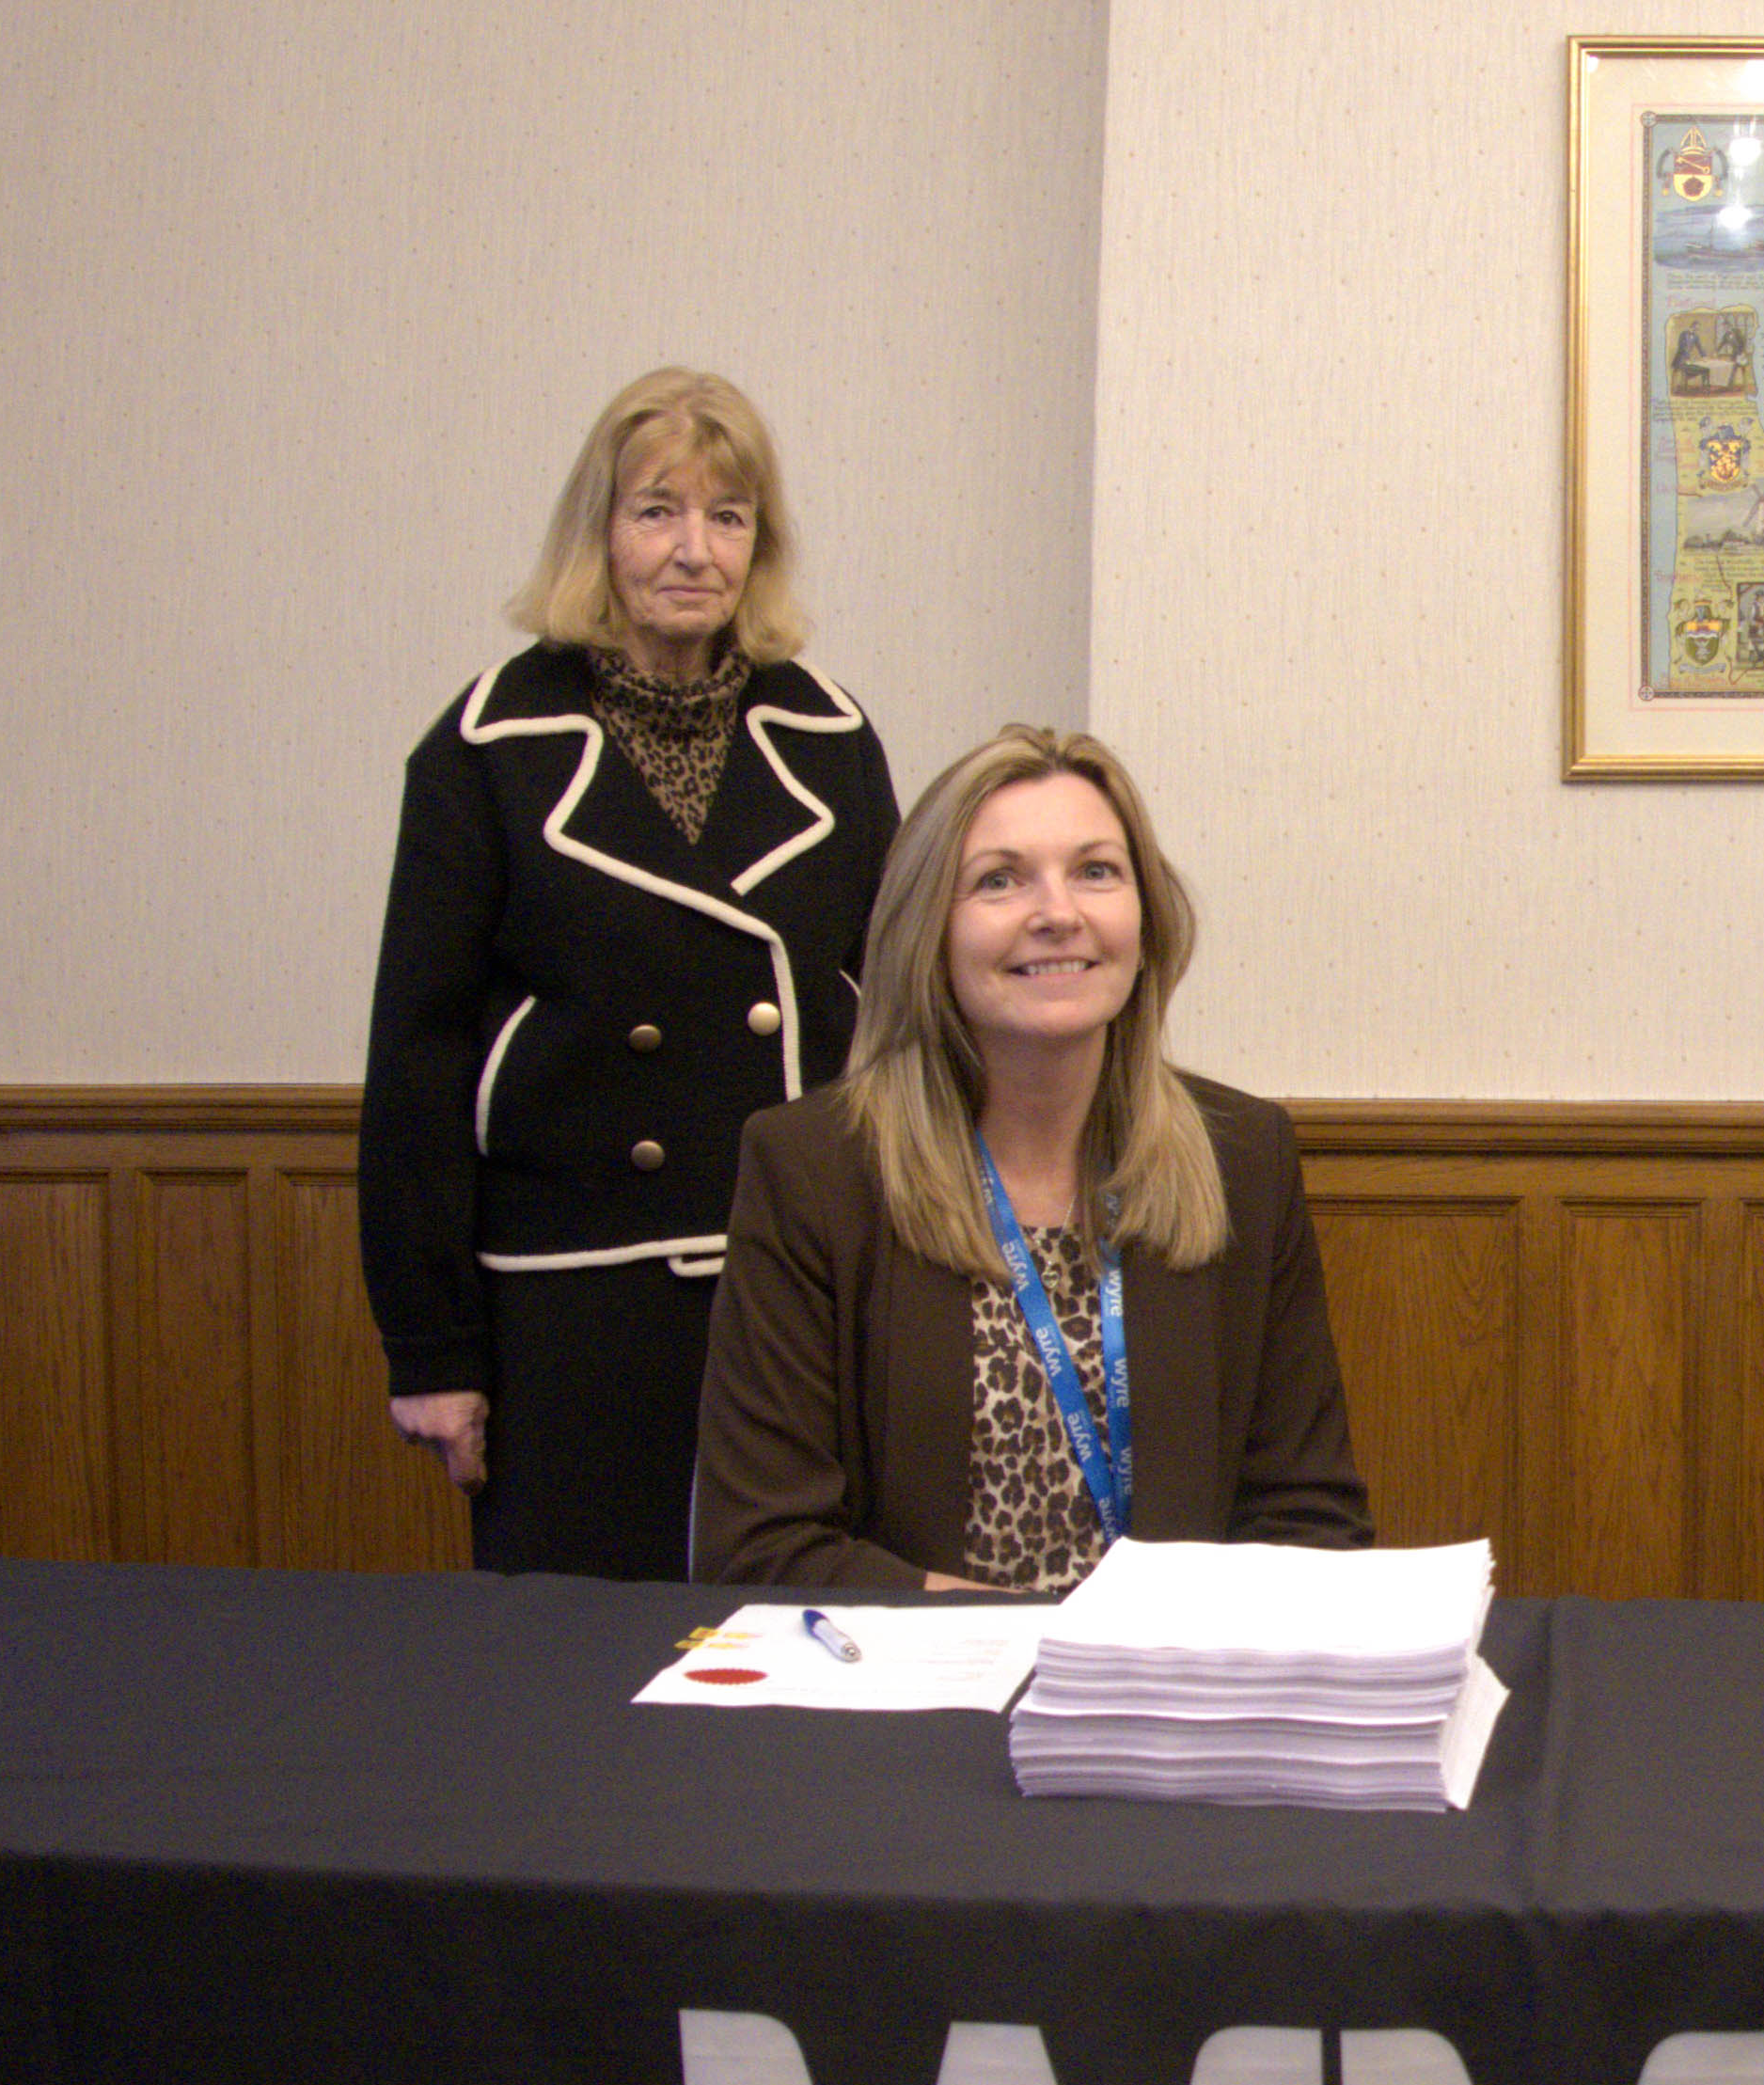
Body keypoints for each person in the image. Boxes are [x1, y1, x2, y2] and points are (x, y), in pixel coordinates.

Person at [359, 367, 892, 1578]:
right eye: (657, 510)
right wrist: (433, 1349)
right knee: (571, 1680)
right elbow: (418, 1055)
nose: (693, 550)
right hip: (568, 1309)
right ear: (598, 530)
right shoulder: (487, 745)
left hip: (793, 1290)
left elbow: (896, 1018)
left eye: (728, 516)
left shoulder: (832, 736)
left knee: (797, 1651)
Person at [692, 728, 1368, 1589]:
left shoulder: (1243, 1157)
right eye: (999, 880)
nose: (1058, 911)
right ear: (926, 930)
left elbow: (1312, 1519)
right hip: (918, 1697)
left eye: (1095, 870)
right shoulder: (814, 1169)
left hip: (1164, 1703)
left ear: (1145, 916)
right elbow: (757, 1544)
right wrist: (1031, 1641)